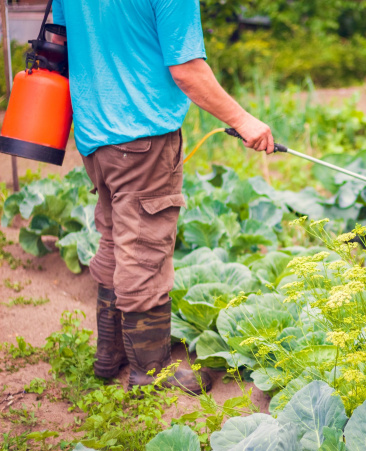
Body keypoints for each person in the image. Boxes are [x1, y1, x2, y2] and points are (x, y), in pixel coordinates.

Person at [51, 0, 275, 394]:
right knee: (144, 251)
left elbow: (62, 40)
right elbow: (187, 71)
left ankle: (111, 353)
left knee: (114, 239)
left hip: (92, 136)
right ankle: (149, 372)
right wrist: (243, 121)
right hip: (142, 136)